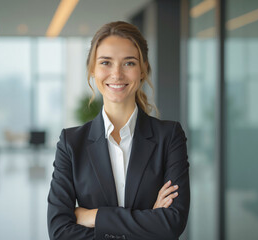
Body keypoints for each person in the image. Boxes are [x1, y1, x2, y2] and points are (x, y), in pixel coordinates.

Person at [47, 21, 190, 240]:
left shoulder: (169, 137)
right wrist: (149, 219)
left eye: (129, 63)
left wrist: (95, 217)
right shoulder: (71, 143)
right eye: (106, 62)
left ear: (142, 70)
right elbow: (59, 231)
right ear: (92, 70)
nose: (117, 74)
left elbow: (171, 223)